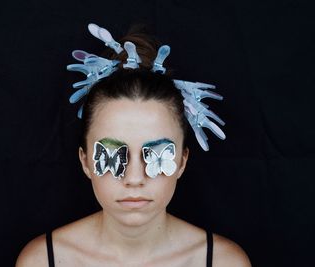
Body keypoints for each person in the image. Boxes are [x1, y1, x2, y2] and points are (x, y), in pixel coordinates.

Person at [16, 23, 251, 267]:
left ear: (182, 160)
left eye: (157, 154)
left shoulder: (224, 262)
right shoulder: (41, 261)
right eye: (112, 154)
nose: (134, 178)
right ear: (85, 160)